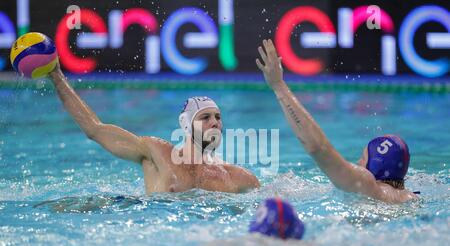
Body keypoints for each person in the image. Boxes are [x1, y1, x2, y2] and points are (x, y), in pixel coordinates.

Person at [48, 63, 260, 194]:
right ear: (186, 125)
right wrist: (57, 76)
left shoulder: (237, 177)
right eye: (205, 117)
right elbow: (93, 129)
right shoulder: (156, 152)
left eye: (218, 117)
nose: (215, 122)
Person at [256, 39, 418, 203]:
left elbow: (318, 148)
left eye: (363, 158)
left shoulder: (366, 184)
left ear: (375, 166)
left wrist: (278, 85)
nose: (357, 163)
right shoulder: (411, 198)